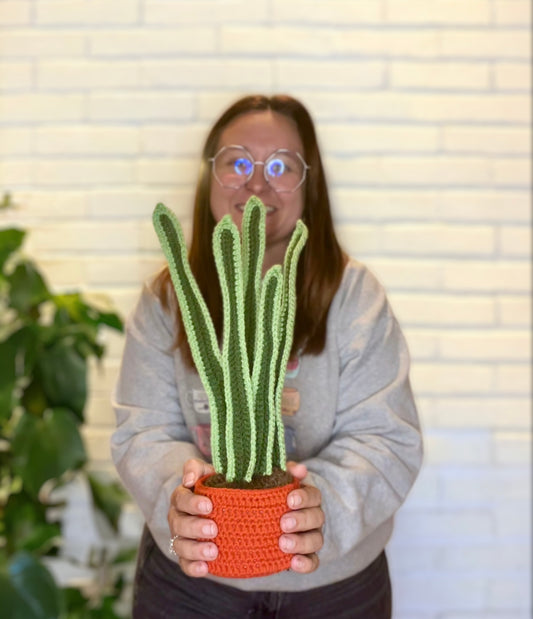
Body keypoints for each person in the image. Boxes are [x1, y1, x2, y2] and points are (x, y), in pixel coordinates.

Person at [111, 94, 423, 618]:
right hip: (194, 586)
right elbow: (143, 431)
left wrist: (316, 511)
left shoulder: (355, 296)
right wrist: (183, 502)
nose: (257, 183)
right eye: (237, 162)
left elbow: (386, 438)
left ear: (311, 185)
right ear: (209, 176)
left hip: (335, 588)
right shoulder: (168, 299)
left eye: (281, 166)